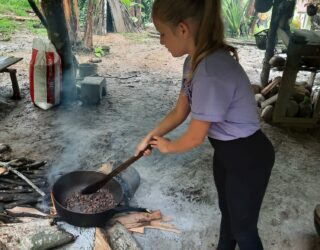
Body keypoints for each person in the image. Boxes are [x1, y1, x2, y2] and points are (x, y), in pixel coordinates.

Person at [135, 0, 275, 249]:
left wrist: (168, 146)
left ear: (183, 29)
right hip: (227, 152)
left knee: (244, 230)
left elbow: (195, 136)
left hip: (248, 157)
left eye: (162, 34)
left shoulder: (211, 69)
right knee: (229, 216)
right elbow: (180, 111)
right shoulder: (193, 62)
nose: (161, 41)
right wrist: (151, 136)